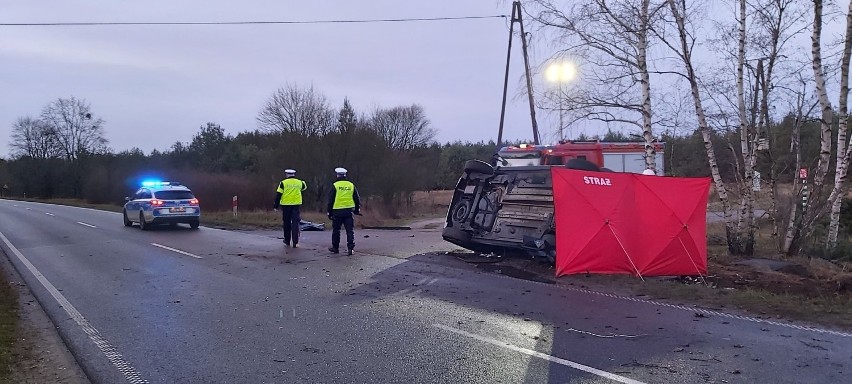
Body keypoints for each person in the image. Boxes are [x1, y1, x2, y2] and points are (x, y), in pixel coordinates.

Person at [327, 167, 361, 255]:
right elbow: (356, 198)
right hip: (348, 211)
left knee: (336, 230)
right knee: (349, 230)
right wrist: (357, 209)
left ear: (337, 175)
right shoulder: (351, 185)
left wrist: (329, 212)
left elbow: (331, 200)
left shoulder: (335, 185)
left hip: (337, 211)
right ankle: (350, 248)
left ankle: (335, 248)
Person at [274, 169, 307, 247]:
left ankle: (287, 240)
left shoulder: (283, 183)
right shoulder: (300, 182)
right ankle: (295, 242)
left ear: (287, 175)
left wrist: (275, 206)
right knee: (295, 223)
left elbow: (278, 194)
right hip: (296, 205)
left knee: (287, 223)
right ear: (294, 174)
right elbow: (304, 187)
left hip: (286, 205)